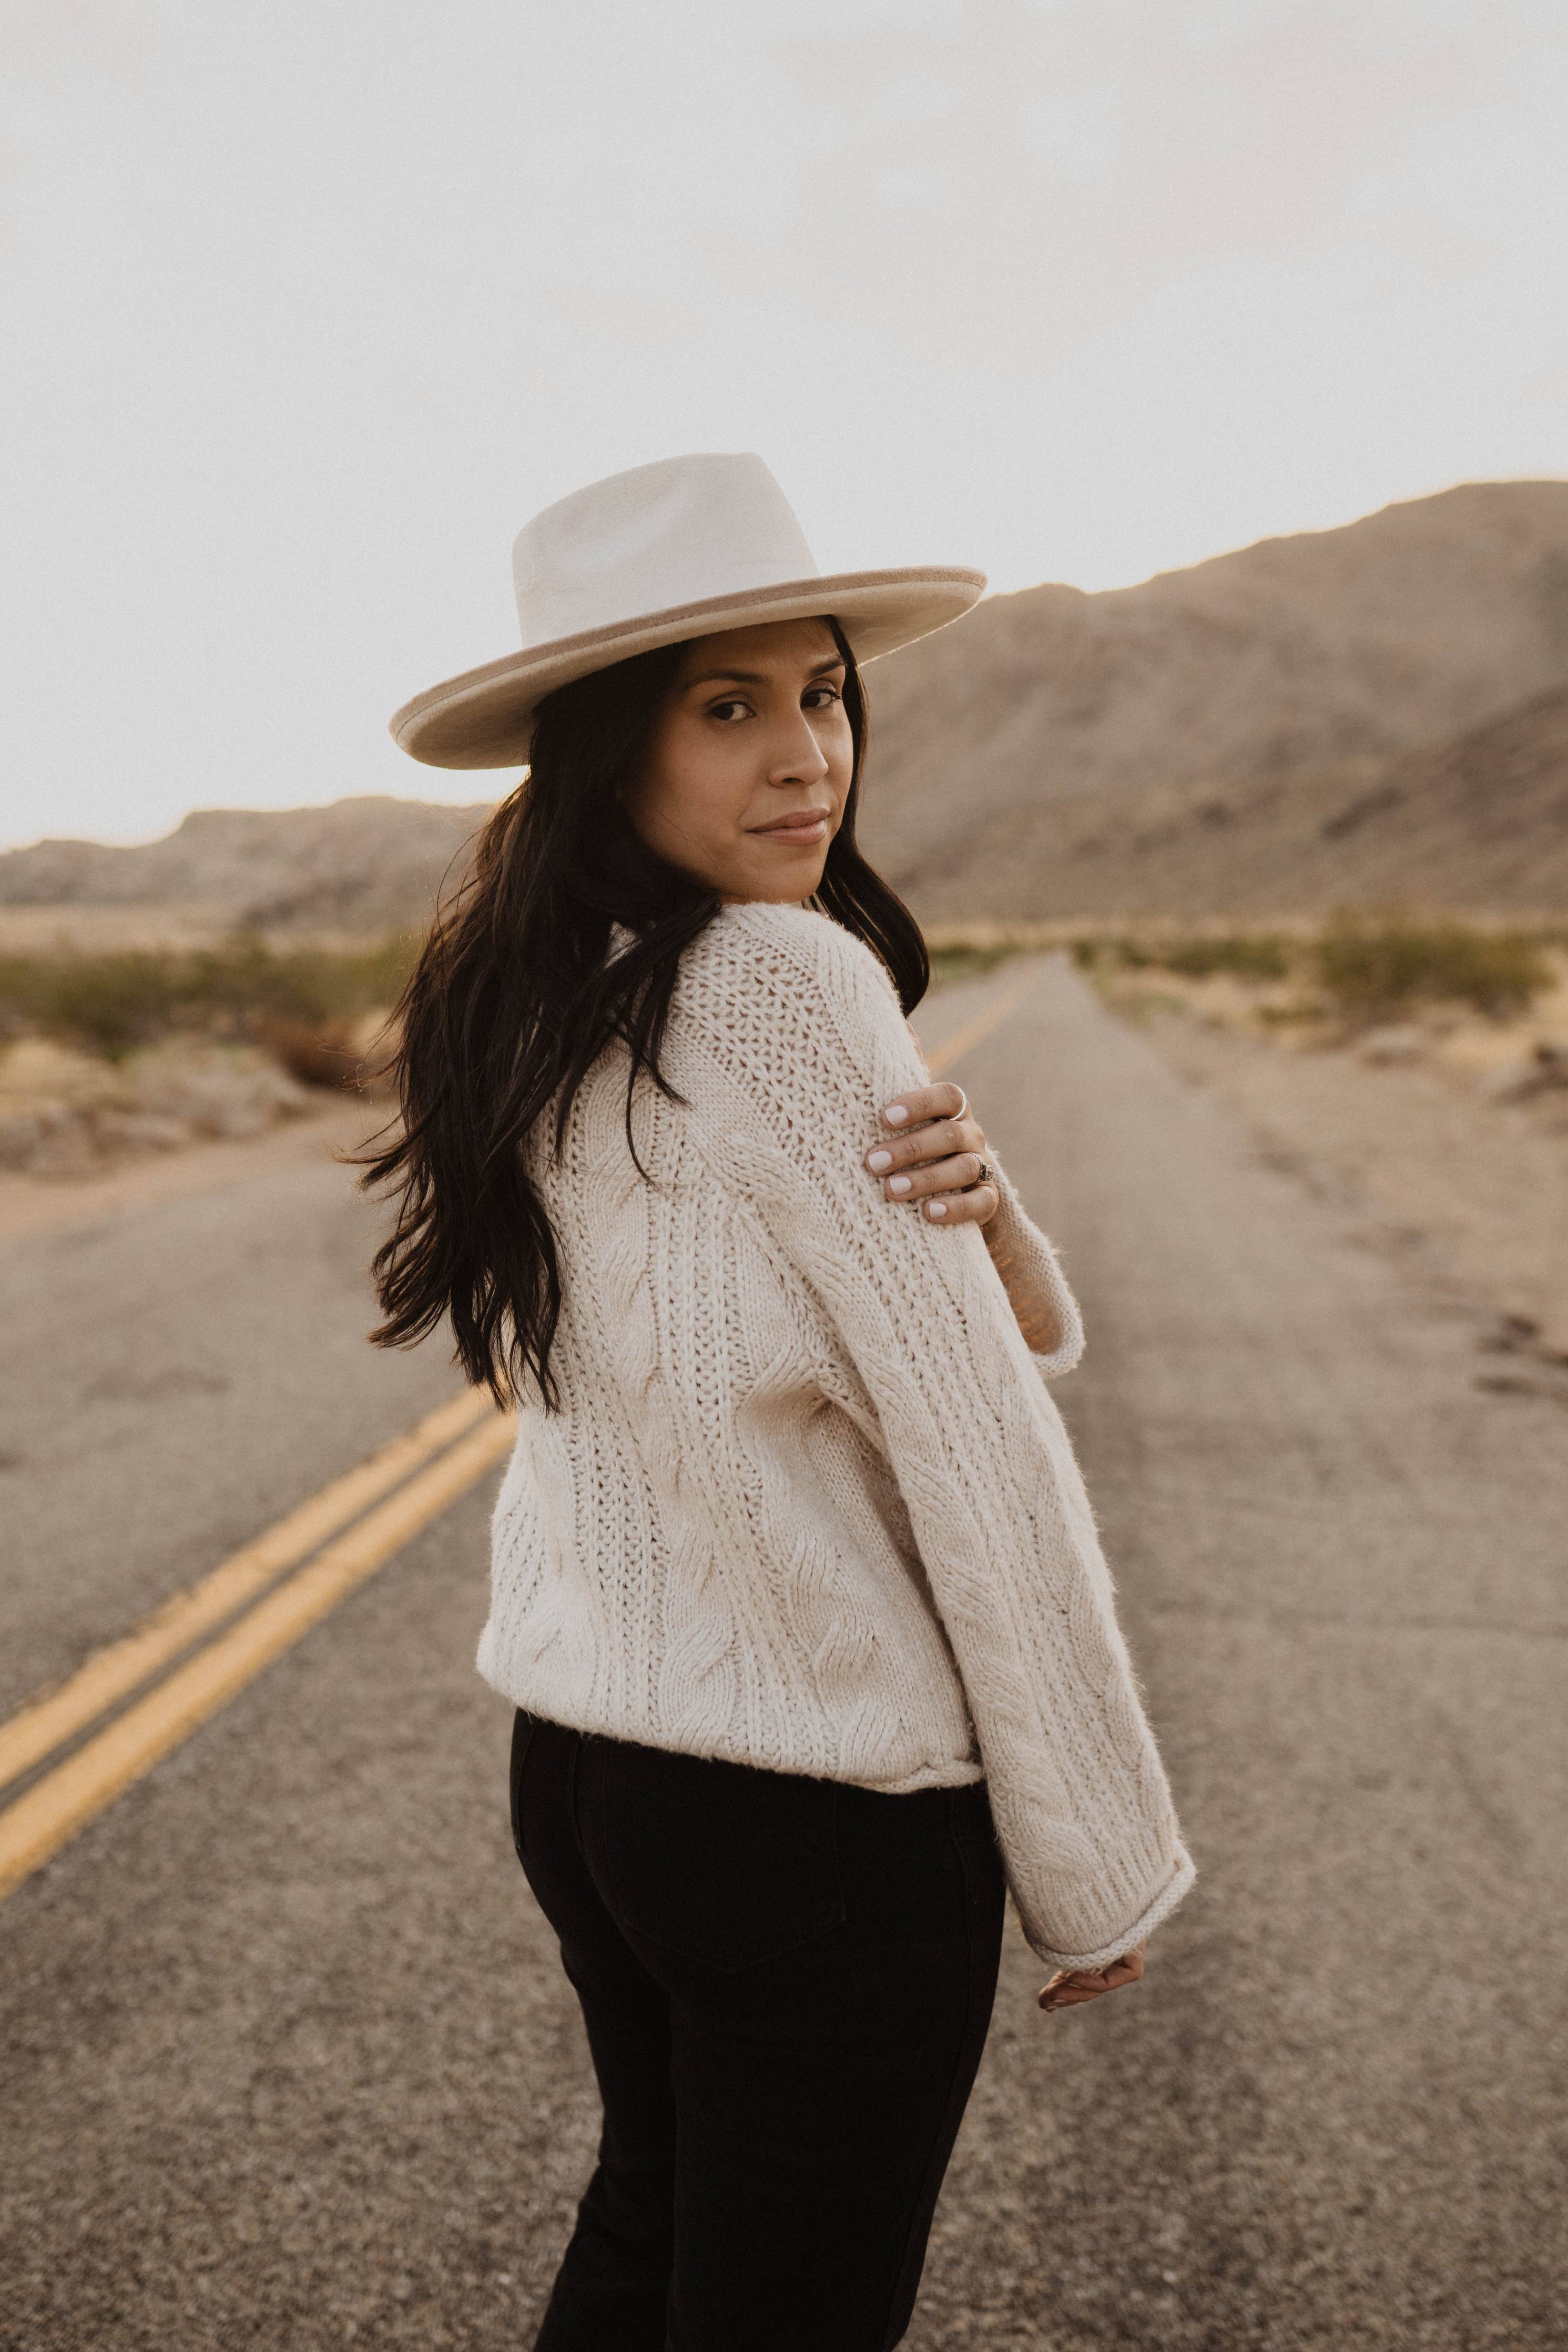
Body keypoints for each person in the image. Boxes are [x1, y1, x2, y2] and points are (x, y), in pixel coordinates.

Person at [365, 452, 1194, 2351]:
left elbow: (774, 1357)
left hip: (594, 1774)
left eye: (822, 693)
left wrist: (985, 1230)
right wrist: (1096, 1853)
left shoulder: (543, 996)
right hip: (810, 1814)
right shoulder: (782, 985)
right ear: (603, 749)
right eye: (727, 705)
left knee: (654, 2244)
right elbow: (976, 1458)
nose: (807, 753)